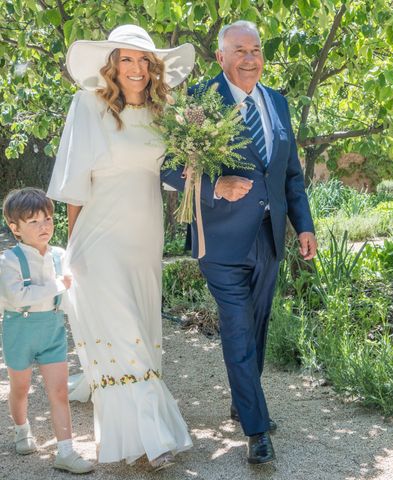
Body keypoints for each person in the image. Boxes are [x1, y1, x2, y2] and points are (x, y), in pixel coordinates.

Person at [161, 20, 317, 465]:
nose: (250, 59)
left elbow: (290, 175)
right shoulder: (198, 103)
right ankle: (255, 428)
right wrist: (215, 186)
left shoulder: (278, 102)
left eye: (256, 50)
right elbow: (167, 169)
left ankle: (242, 398)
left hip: (269, 238)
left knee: (258, 324)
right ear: (221, 57)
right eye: (240, 51)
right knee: (236, 328)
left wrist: (303, 226)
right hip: (221, 242)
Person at [46, 25, 195, 470]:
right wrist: (73, 249)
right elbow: (74, 185)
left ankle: (142, 436)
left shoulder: (164, 112)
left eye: (143, 60)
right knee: (122, 335)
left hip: (144, 239)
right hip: (100, 239)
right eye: (126, 59)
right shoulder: (87, 105)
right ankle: (150, 441)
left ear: (153, 68)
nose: (135, 69)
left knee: (142, 335)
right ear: (112, 65)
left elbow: (171, 175)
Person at [0, 188, 94, 474]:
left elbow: (74, 285)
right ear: (15, 228)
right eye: (34, 222)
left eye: (48, 219)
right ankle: (21, 429)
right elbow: (17, 296)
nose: (44, 227)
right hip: (19, 329)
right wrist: (57, 285)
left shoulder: (60, 255)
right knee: (20, 388)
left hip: (52, 329)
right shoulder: (9, 260)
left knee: (59, 391)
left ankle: (65, 451)